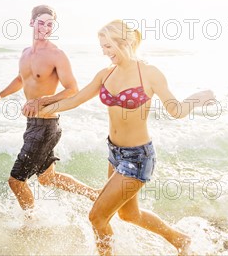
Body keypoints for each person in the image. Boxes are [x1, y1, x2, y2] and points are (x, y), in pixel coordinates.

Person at [29, 19, 215, 255]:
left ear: (125, 42)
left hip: (138, 157)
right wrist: (42, 110)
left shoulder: (149, 73)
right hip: (115, 154)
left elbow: (175, 111)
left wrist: (199, 97)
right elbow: (75, 99)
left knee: (97, 217)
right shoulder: (105, 74)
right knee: (129, 215)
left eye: (108, 47)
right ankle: (180, 240)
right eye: (102, 47)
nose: (105, 53)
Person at [0, 5, 99, 211]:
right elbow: (21, 79)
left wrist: (41, 101)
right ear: (31, 22)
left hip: (46, 125)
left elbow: (72, 89)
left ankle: (32, 225)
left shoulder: (57, 55)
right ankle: (95, 195)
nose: (45, 28)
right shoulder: (25, 53)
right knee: (48, 178)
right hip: (34, 125)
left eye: (50, 25)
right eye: (41, 23)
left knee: (16, 181)